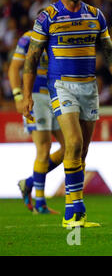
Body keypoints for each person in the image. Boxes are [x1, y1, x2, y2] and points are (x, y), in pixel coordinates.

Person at [22, 0, 112, 228]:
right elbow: (32, 57)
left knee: (81, 153)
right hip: (61, 87)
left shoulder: (95, 15)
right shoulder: (47, 16)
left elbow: (110, 52)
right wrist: (25, 94)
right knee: (72, 142)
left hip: (88, 88)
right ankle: (73, 212)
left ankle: (75, 213)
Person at [8, 26, 65, 214]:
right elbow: (14, 68)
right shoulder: (28, 38)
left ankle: (30, 182)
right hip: (35, 97)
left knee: (71, 147)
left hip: (56, 95)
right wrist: (18, 96)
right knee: (44, 147)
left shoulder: (59, 39)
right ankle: (40, 203)